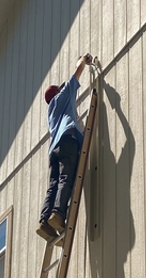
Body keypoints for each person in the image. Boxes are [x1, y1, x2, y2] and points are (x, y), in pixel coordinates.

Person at [36, 53, 93, 242]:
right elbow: (76, 74)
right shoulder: (63, 96)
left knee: (53, 184)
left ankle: (44, 220)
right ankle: (58, 213)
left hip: (53, 150)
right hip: (67, 141)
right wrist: (83, 60)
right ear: (58, 92)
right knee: (66, 177)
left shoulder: (50, 112)